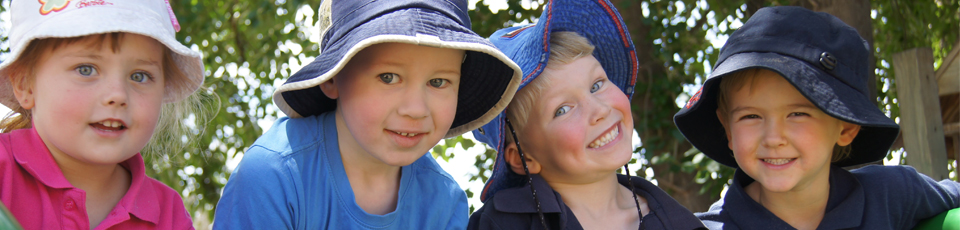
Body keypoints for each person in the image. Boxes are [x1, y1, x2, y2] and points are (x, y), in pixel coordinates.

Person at [212, 0, 522, 229]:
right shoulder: (274, 176)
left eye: (438, 82)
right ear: (333, 77)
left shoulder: (443, 201)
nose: (415, 109)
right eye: (388, 77)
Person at [674, 6, 960, 229]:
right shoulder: (705, 228)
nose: (773, 138)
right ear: (727, 129)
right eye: (750, 116)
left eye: (797, 114)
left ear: (846, 126)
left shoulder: (891, 195)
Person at [467, 0, 706, 229]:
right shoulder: (499, 224)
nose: (600, 110)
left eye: (597, 85)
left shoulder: (680, 222)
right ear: (523, 159)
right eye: (563, 110)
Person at [0, 0, 206, 229]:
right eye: (86, 69)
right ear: (24, 84)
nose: (118, 95)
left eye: (139, 76)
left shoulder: (168, 213)